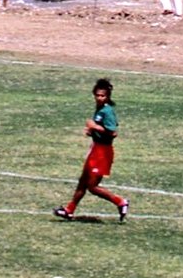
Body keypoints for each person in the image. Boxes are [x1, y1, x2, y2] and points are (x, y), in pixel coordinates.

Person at [54, 78, 129, 222]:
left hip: (103, 152)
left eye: (103, 96)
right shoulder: (100, 109)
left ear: (108, 96)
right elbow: (101, 129)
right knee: (82, 181)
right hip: (95, 149)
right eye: (98, 95)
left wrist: (94, 127)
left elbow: (113, 132)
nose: (100, 98)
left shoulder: (108, 111)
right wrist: (92, 132)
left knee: (92, 186)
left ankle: (120, 202)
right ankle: (69, 210)